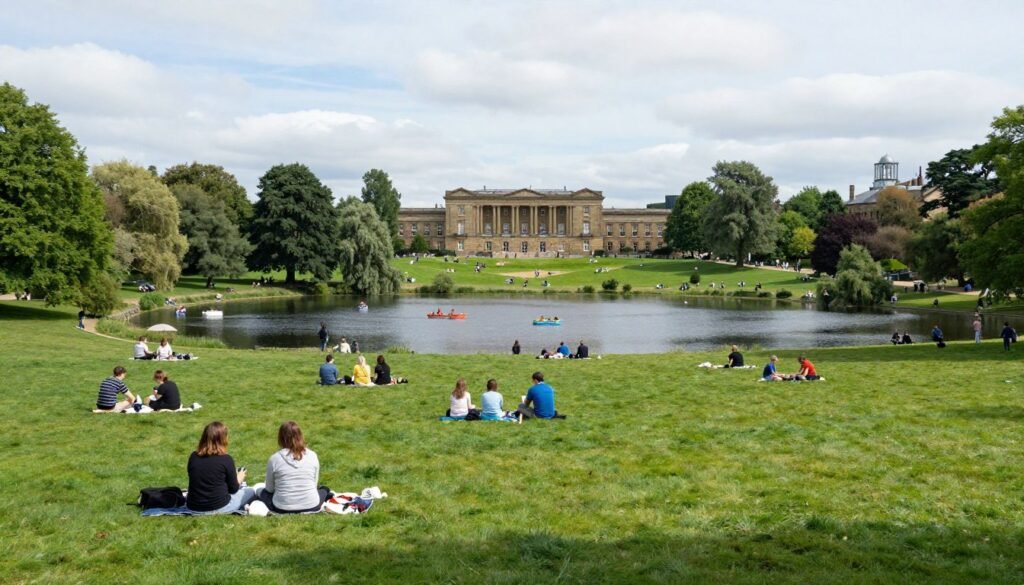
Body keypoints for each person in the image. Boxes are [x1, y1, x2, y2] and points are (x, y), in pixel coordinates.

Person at [257, 421, 331, 514]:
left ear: (280, 438)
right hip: (312, 505)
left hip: (282, 507)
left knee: (260, 491)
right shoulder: (312, 455)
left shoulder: (274, 459)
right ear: (300, 436)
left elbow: (269, 489)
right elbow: (314, 485)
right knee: (324, 489)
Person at [185, 421, 254, 514]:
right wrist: (240, 477)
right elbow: (233, 489)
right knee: (251, 491)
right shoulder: (226, 459)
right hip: (219, 507)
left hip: (193, 506)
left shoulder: (193, 456)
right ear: (223, 439)